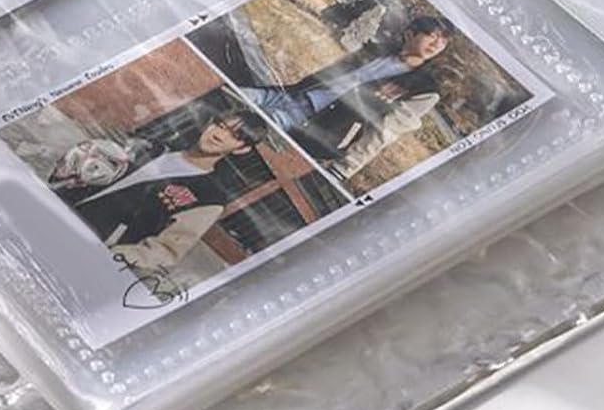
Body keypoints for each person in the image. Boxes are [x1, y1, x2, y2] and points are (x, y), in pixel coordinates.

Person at [51, 109, 266, 274]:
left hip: (87, 247)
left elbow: (167, 250)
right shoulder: (152, 147)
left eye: (235, 135)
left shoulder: (209, 197)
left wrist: (109, 257)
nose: (220, 135)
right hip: (55, 210)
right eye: (219, 125)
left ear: (242, 148)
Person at [235, 16, 453, 166]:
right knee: (232, 94)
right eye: (432, 35)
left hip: (311, 121)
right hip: (291, 95)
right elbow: (332, 71)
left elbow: (385, 132)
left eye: (443, 41)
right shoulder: (378, 50)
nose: (437, 44)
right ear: (410, 33)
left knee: (240, 128)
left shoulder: (421, 87)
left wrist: (347, 167)